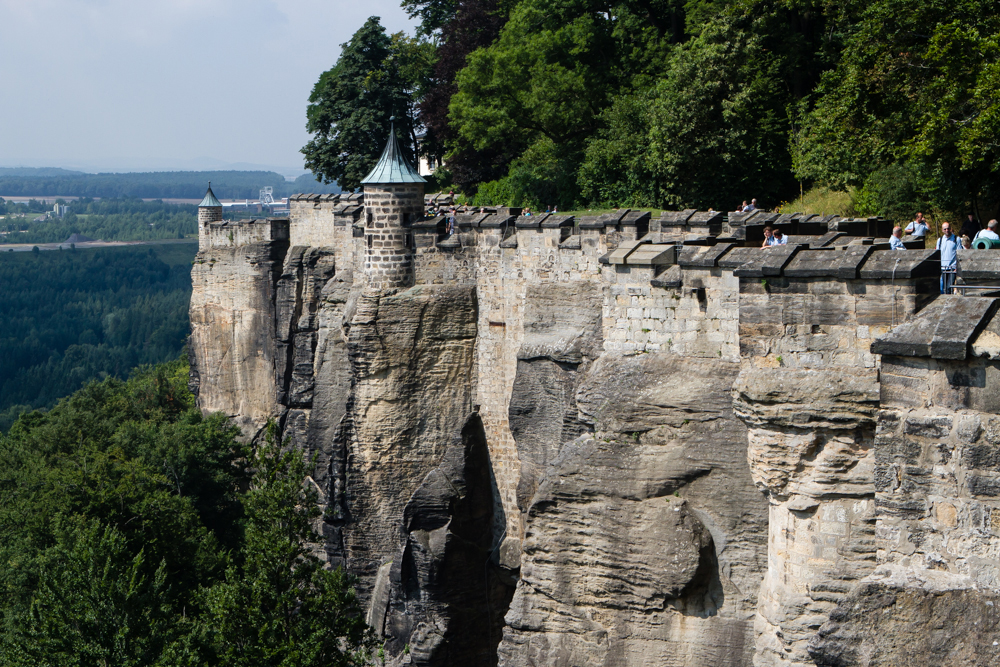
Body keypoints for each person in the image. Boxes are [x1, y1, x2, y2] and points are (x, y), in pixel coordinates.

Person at [936, 222, 959, 294]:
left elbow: (960, 254)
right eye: (945, 229)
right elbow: (937, 253)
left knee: (950, 287)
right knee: (945, 288)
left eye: (948, 228)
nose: (947, 230)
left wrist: (957, 266)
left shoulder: (956, 239)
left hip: (953, 267)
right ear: (942, 230)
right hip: (943, 267)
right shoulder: (940, 240)